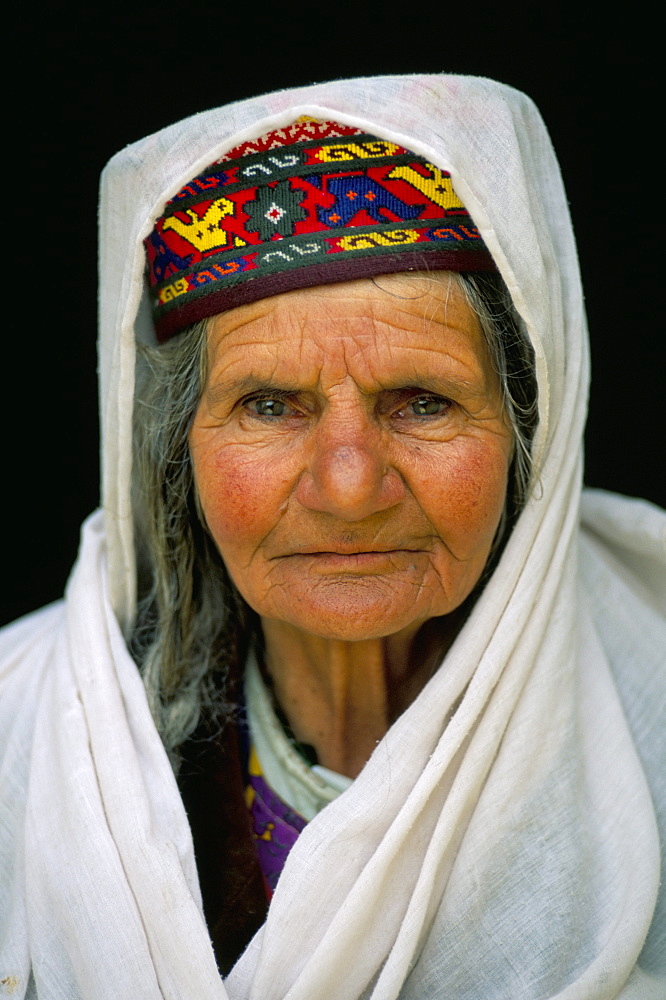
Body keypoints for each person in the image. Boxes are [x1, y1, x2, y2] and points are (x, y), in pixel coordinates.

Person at [0, 74, 664, 1000]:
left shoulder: (653, 704)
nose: (350, 488)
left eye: (422, 402)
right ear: (176, 448)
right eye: (269, 406)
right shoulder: (23, 733)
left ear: (528, 431)